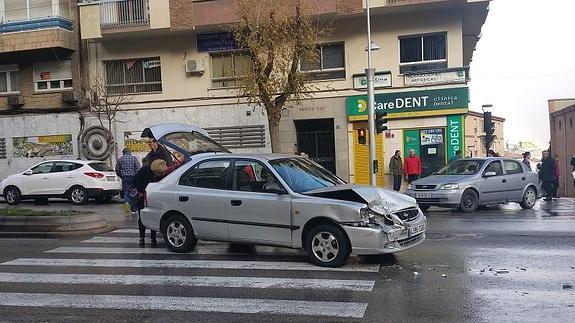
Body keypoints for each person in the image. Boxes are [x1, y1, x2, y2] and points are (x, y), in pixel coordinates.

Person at [115, 148, 141, 214]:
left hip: (124, 178)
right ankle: (134, 210)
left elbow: (117, 169)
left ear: (123, 152)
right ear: (130, 152)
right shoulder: (134, 158)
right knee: (133, 193)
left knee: (126, 192)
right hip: (133, 178)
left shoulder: (120, 159)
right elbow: (138, 167)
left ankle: (126, 206)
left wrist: (121, 175)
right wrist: (136, 175)